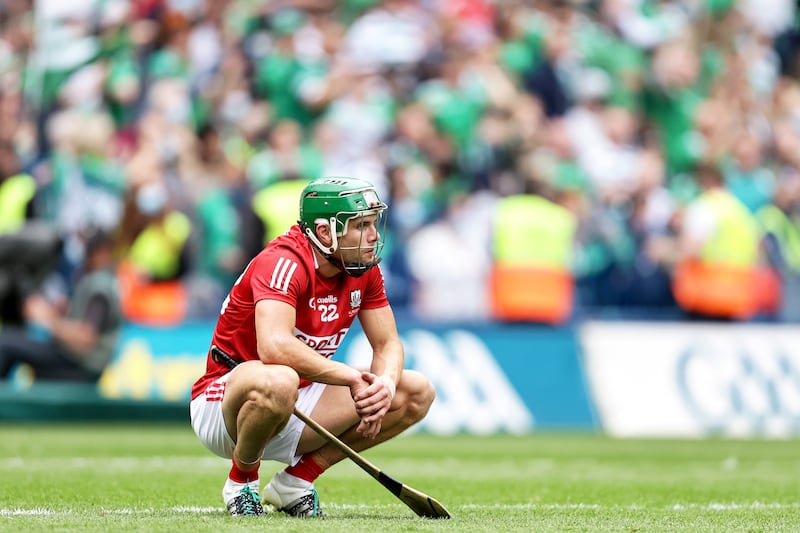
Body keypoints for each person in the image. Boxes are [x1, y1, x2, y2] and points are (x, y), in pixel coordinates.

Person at [190, 176, 436, 518]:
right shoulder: (283, 261)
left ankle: (296, 482)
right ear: (325, 232)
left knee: (415, 392)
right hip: (226, 406)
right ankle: (241, 482)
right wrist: (350, 377)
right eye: (361, 226)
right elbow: (275, 348)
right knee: (279, 380)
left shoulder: (362, 269)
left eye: (373, 224)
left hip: (298, 403)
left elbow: (388, 344)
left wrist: (384, 386)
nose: (375, 235)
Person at [0, 228, 123, 382]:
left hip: (80, 365)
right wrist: (61, 313)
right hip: (75, 360)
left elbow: (85, 340)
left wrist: (47, 319)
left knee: (4, 343)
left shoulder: (100, 286)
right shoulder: (96, 280)